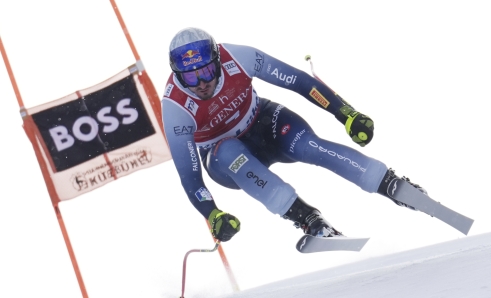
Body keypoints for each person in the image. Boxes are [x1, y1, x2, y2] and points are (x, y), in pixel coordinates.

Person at [161, 27, 427, 242]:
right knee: (231, 152)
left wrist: (345, 113)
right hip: (223, 157)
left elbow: (298, 81)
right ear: (177, 76)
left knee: (307, 146)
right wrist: (212, 214)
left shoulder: (238, 58)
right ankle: (309, 220)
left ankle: (389, 183)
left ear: (218, 60)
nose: (202, 83)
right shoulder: (175, 109)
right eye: (190, 78)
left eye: (206, 71)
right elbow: (190, 177)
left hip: (262, 123)